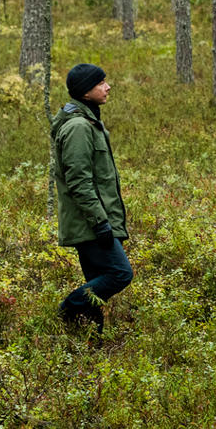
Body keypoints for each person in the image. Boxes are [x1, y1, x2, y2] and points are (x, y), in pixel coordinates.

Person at [51, 62, 133, 329]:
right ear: (86, 92)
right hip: (90, 222)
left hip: (94, 220)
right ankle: (67, 309)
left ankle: (90, 337)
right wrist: (100, 222)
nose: (107, 87)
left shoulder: (89, 122)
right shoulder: (78, 128)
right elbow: (79, 181)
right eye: (101, 83)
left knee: (97, 278)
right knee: (120, 274)